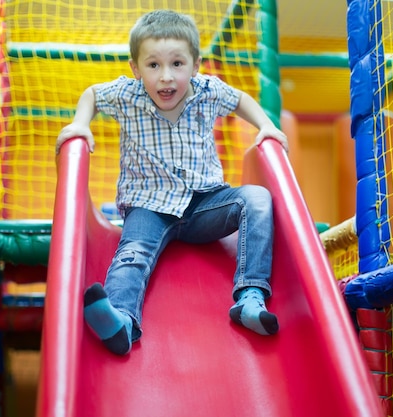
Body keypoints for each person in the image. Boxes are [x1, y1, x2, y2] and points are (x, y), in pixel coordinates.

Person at [56, 9, 288, 356]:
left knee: (256, 199)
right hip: (149, 207)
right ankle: (121, 321)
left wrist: (266, 126)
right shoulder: (127, 95)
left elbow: (240, 99)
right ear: (136, 69)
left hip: (206, 204)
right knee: (132, 255)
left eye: (177, 64)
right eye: (153, 66)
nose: (166, 77)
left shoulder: (207, 90)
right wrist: (80, 124)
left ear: (195, 65)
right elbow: (92, 94)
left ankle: (250, 297)